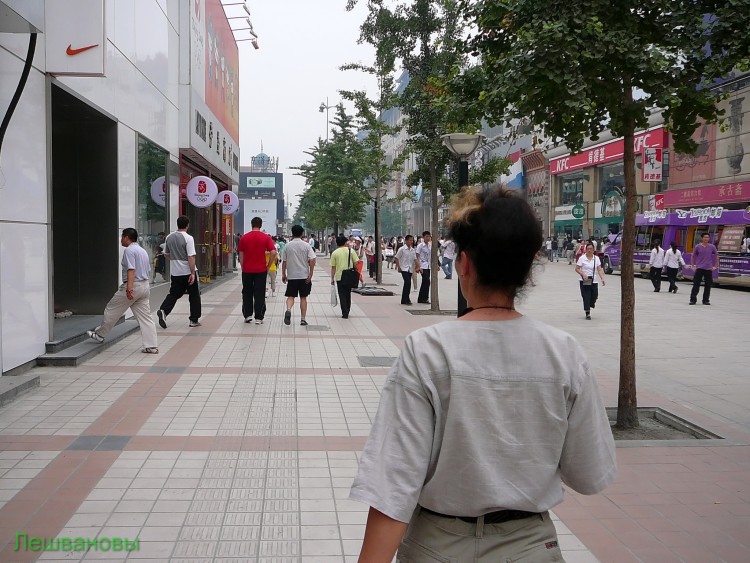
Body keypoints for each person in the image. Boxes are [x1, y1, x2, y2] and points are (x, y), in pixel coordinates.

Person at [350, 186, 617, 563]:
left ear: (463, 263)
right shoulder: (564, 353)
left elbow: (393, 482)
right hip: (531, 547)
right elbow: (589, 475)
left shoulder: (427, 350)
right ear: (528, 270)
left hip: (437, 546)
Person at [87, 228, 159, 354]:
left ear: (126, 237)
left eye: (122, 237)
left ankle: (100, 334)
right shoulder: (142, 251)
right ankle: (151, 346)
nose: (121, 239)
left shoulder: (129, 250)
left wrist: (129, 288)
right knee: (145, 317)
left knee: (111, 309)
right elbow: (147, 269)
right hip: (144, 286)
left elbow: (131, 269)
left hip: (133, 286)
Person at [156, 216, 202, 329]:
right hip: (187, 271)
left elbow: (166, 254)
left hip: (175, 272)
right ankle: (193, 320)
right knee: (194, 295)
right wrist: (192, 273)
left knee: (174, 293)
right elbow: (191, 257)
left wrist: (176, 259)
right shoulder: (188, 238)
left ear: (177, 224)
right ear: (187, 225)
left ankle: (163, 310)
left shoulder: (169, 237)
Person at [237, 217, 277, 324]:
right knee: (259, 292)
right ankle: (259, 317)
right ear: (260, 225)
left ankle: (248, 315)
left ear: (251, 224)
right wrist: (268, 266)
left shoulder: (244, 238)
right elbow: (273, 252)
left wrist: (243, 266)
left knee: (247, 292)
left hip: (247, 270)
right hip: (261, 270)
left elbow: (241, 254)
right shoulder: (266, 238)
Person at [281, 225, 316, 326]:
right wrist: (311, 273)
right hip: (304, 276)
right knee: (303, 298)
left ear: (292, 233)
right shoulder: (306, 246)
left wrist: (284, 274)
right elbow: (312, 260)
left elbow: (284, 262)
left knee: (291, 296)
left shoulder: (288, 246)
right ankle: (303, 319)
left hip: (292, 276)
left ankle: (288, 309)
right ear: (302, 233)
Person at [330, 235, 360, 319]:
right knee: (348, 294)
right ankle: (348, 310)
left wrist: (332, 278)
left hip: (340, 276)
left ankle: (344, 312)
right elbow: (356, 262)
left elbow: (333, 267)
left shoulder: (335, 253)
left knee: (342, 294)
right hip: (349, 275)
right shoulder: (351, 251)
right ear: (345, 242)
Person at [575, 242, 606, 320]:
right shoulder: (582, 258)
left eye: (591, 249)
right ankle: (587, 312)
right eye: (588, 249)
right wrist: (583, 274)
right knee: (586, 296)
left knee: (594, 295)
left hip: (594, 280)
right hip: (586, 279)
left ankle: (591, 304)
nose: (589, 250)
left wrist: (602, 278)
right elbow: (577, 268)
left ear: (593, 250)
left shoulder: (596, 258)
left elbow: (599, 269)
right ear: (585, 250)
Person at [689, 232, 718, 305]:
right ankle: (693, 299)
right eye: (705, 237)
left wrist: (715, 266)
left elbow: (717, 256)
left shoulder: (712, 247)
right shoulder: (698, 246)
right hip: (699, 268)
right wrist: (693, 266)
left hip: (708, 269)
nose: (706, 239)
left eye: (708, 237)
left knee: (708, 285)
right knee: (696, 284)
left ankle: (706, 300)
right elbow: (693, 256)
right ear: (702, 238)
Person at [416, 231, 431, 304]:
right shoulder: (420, 246)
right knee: (426, 280)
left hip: (428, 266)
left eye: (429, 236)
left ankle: (423, 298)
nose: (428, 238)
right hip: (422, 265)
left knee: (426, 282)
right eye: (426, 236)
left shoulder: (430, 245)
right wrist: (418, 266)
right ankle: (423, 298)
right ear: (423, 237)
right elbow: (417, 256)